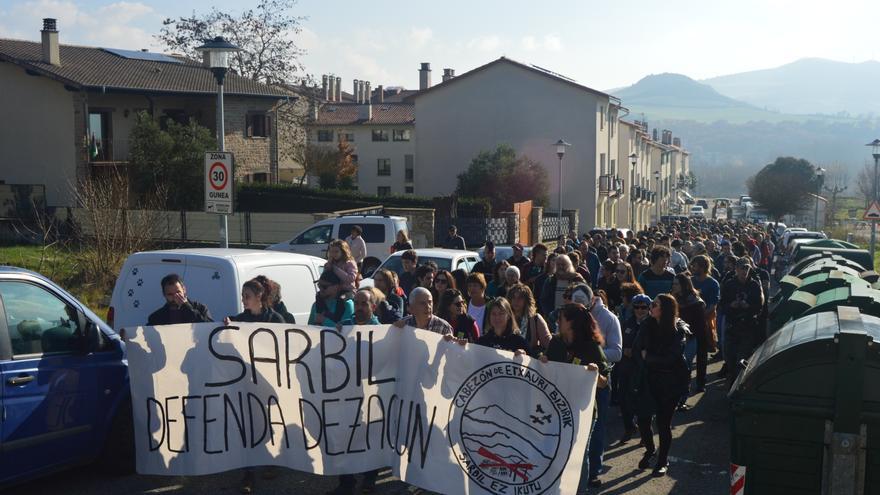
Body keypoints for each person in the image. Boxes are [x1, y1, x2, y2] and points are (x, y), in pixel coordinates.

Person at [541, 303, 609, 492]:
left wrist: (596, 374)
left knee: (578, 455)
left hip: (581, 411)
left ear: (571, 323)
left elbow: (605, 383)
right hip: (556, 409)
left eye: (561, 318)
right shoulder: (555, 343)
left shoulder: (591, 348)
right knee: (555, 451)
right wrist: (543, 362)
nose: (557, 322)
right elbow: (546, 374)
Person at [633, 294, 687, 477]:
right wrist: (648, 359)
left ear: (664, 309)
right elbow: (637, 348)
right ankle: (650, 449)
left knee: (664, 424)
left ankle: (663, 461)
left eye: (654, 304)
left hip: (670, 382)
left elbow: (671, 358)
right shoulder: (647, 324)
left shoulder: (678, 329)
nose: (650, 307)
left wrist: (649, 357)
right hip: (649, 379)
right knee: (643, 418)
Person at [584, 283, 623, 487]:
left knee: (597, 427)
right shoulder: (573, 317)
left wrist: (591, 357)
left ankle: (593, 471)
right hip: (576, 380)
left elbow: (617, 352)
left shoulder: (608, 318)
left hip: (599, 381)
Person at [719, 257, 763, 388]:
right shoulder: (729, 284)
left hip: (747, 326)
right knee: (730, 357)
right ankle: (731, 383)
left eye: (747, 268)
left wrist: (747, 306)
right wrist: (731, 305)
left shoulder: (754, 285)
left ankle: (740, 386)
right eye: (742, 268)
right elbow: (722, 305)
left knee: (742, 359)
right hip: (732, 325)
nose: (744, 271)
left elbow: (759, 306)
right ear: (736, 269)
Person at [618, 294, 652, 442]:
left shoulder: (653, 325)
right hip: (627, 368)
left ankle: (645, 435)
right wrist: (626, 350)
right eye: (637, 307)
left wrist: (636, 352)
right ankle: (629, 428)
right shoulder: (627, 323)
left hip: (645, 370)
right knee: (624, 400)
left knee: (644, 404)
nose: (640, 310)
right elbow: (620, 343)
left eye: (643, 307)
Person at [671, 273, 705, 410]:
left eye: (676, 284)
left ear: (684, 285)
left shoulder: (696, 302)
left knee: (685, 369)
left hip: (690, 340)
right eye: (673, 283)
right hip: (674, 339)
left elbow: (700, 326)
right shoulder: (672, 299)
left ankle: (682, 400)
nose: (673, 286)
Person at [689, 255, 720, 390]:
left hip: (704, 324)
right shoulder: (689, 281)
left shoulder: (713, 283)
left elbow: (713, 305)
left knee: (702, 355)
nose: (692, 268)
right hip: (688, 324)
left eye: (695, 266)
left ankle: (701, 383)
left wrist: (700, 317)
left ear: (702, 267)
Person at [147, 273, 212, 325]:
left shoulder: (200, 308)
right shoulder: (156, 317)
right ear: (164, 294)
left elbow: (208, 327)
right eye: (170, 294)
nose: (175, 297)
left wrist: (186, 306)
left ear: (184, 290)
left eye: (178, 292)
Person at [507, 283, 551, 355]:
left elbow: (549, 345)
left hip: (529, 363)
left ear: (526, 300)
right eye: (513, 297)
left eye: (520, 298)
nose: (516, 301)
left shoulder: (535, 319)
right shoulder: (505, 318)